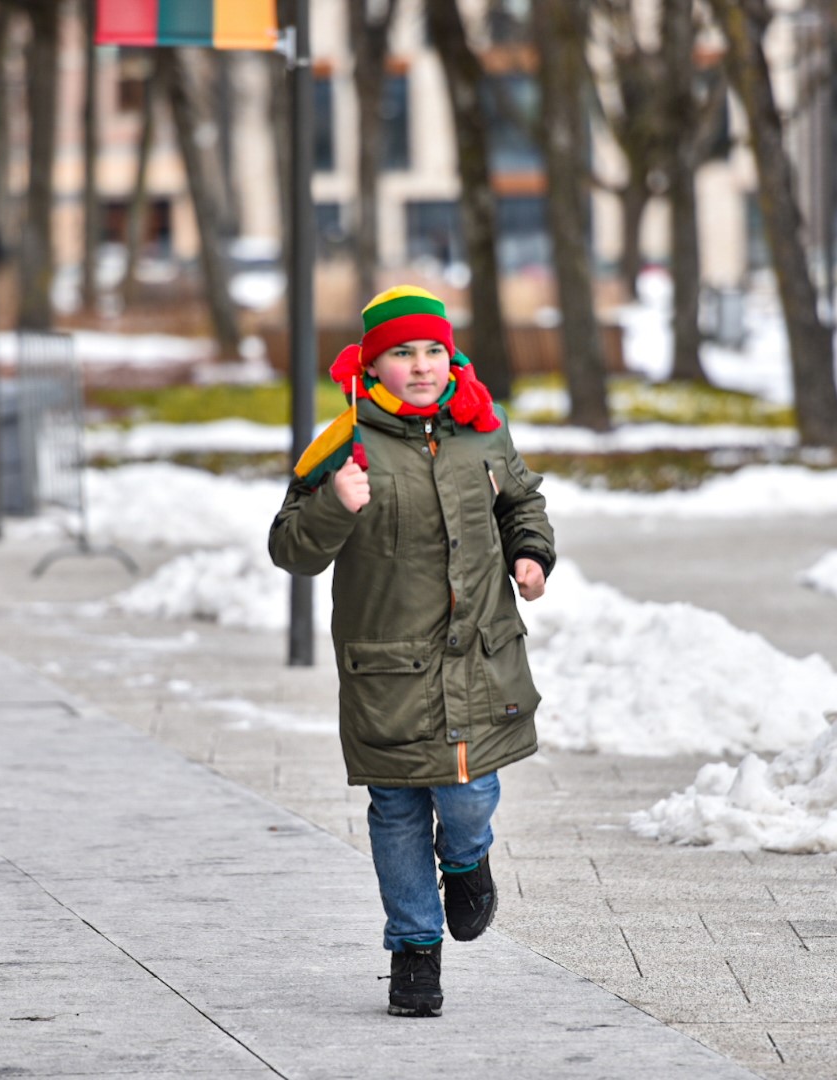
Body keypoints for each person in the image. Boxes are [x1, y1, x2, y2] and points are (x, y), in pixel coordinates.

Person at [269, 286, 555, 1018]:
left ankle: (465, 858)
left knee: (469, 792)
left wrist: (530, 554)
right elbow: (290, 549)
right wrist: (335, 504)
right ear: (371, 365)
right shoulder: (343, 445)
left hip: (478, 657)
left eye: (433, 350)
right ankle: (414, 953)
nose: (422, 366)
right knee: (396, 810)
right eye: (402, 353)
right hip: (387, 667)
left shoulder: (484, 430)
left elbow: (521, 502)